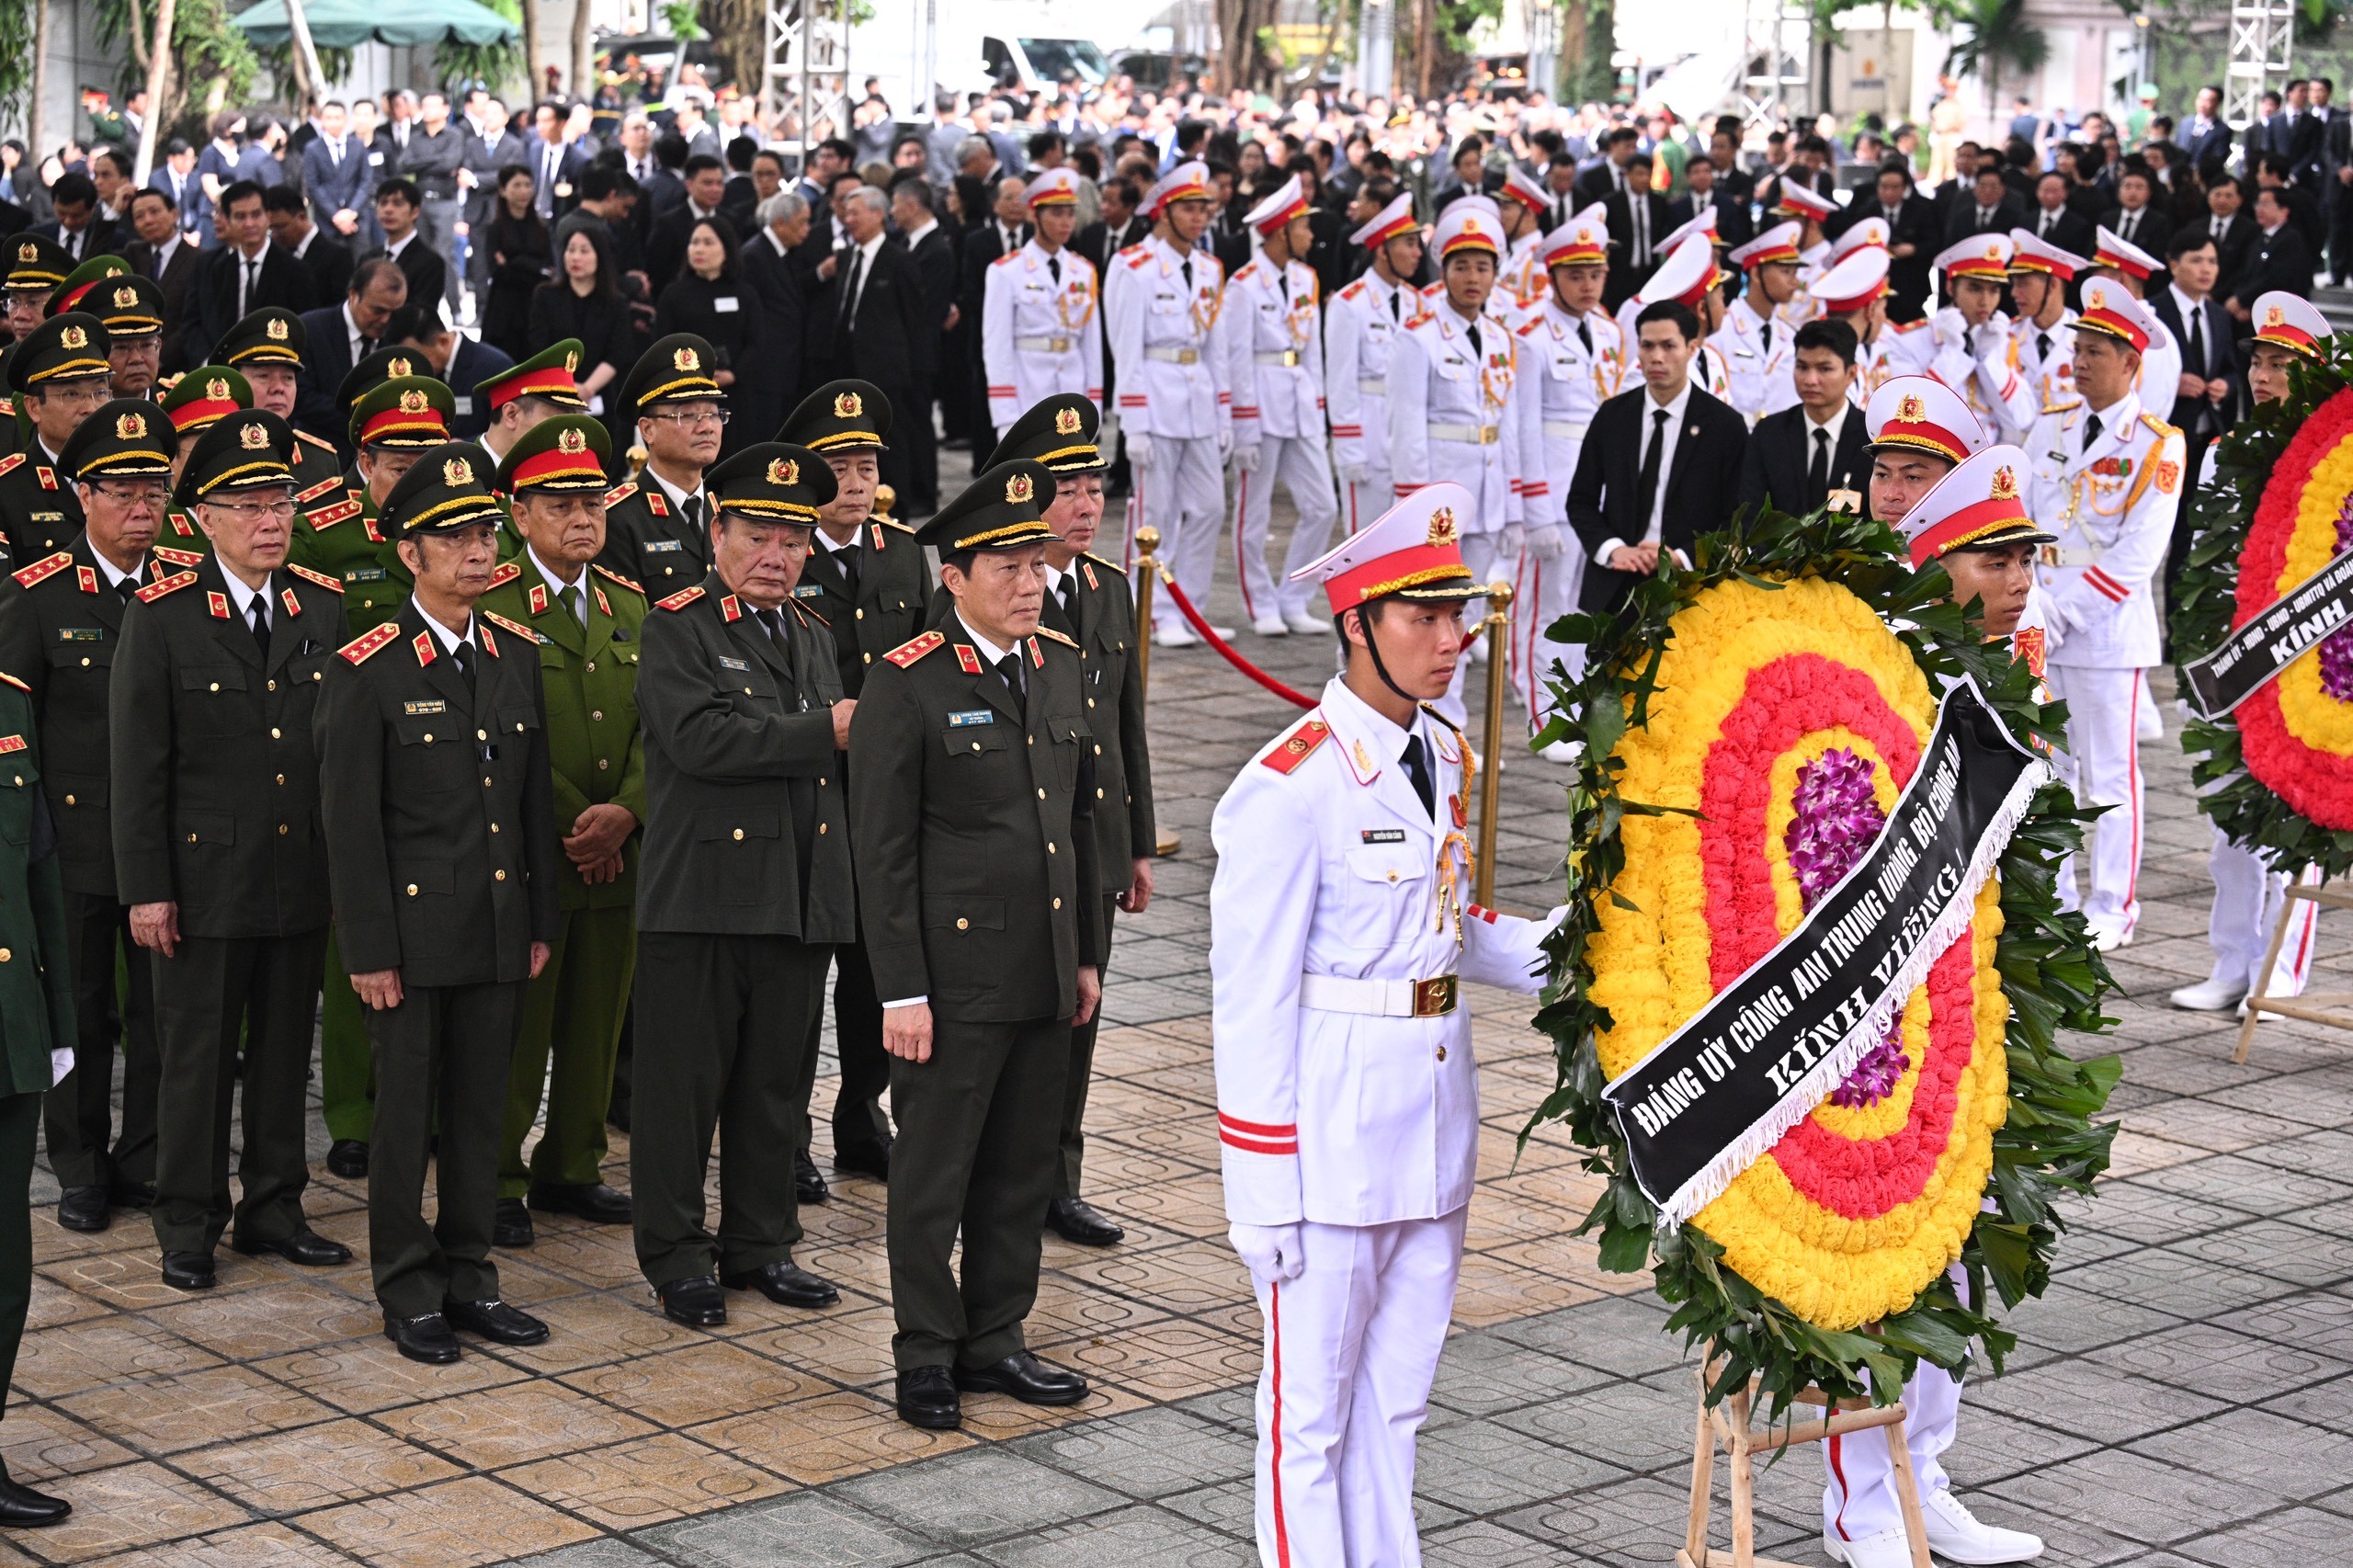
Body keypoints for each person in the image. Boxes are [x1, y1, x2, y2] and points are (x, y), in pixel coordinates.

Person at [1211, 483, 1557, 1568]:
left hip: (1432, 1124)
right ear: (1356, 623)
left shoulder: (1441, 753)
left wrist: (1598, 948)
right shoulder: (1288, 787)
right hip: (1327, 1139)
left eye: (1458, 612)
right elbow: (1249, 999)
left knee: (1394, 1406)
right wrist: (1258, 1181)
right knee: (1305, 1422)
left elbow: (1449, 924)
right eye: (1424, 615)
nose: (1453, 638)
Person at [1820, 439, 2054, 1568]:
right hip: (1878, 1015)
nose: (2017, 576)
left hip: (1971, 1000)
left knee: (1957, 1248)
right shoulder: (1891, 678)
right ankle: (1862, 1498)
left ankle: (1927, 1475)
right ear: (1938, 566)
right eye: (1995, 557)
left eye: (2024, 555)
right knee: (1871, 1252)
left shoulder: (2013, 668)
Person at [848, 458, 1102, 1431]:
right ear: (953, 577)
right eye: (1005, 565)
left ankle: (997, 1335)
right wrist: (899, 991)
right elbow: (883, 853)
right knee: (933, 1174)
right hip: (949, 984)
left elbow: (1073, 824)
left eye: (1035, 562)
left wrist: (1080, 956)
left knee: (1020, 1167)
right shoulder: (905, 681)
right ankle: (924, 1351)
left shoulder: (1061, 664)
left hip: (1041, 968)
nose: (1029, 581)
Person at [317, 439, 557, 1362]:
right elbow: (352, 824)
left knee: (480, 1111)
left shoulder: (510, 653)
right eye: (451, 536)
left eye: (484, 531)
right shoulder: (367, 667)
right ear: (408, 555)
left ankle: (469, 1273)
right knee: (404, 1113)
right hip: (412, 939)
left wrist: (538, 920)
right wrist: (369, 948)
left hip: (496, 928)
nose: (476, 549)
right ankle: (407, 1285)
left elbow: (531, 803)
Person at [111, 409, 353, 1291]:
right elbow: (138, 766)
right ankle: (187, 1218)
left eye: (281, 500)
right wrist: (147, 889)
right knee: (198, 1060)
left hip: (299, 875)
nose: (272, 520)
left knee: (290, 1053)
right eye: (249, 504)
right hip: (203, 882)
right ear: (202, 519)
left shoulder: (320, 605)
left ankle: (275, 1206)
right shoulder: (166, 615)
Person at [631, 438, 851, 1327]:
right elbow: (702, 741)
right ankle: (678, 1256)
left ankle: (763, 1243)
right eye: (758, 534)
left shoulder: (811, 631)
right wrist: (820, 729)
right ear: (715, 532)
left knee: (776, 1086)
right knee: (683, 1092)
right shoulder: (677, 625)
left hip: (796, 895)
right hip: (705, 898)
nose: (777, 557)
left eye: (794, 541)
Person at [0, 400, 195, 1237]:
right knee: (79, 1010)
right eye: (123, 490)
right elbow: (14, 730)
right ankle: (79, 1165)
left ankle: (146, 1159)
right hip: (75, 841)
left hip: (168, 843)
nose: (142, 508)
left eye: (155, 489)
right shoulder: (36, 596)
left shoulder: (187, 588)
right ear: (83, 495)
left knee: (162, 1013)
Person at [983, 394, 1154, 1248]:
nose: (1088, 507)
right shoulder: (990, 593)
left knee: (1082, 1015)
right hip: (1016, 849)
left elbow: (1126, 725)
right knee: (1013, 1017)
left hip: (1092, 846)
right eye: (1068, 490)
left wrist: (1138, 844)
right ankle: (1003, 1175)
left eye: (1096, 488)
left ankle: (1061, 1178)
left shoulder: (1107, 588)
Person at [474, 415, 643, 1249]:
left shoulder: (629, 606)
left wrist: (628, 812)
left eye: (594, 500)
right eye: (561, 502)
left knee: (596, 1021)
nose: (582, 516)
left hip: (620, 857)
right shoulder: (495, 603)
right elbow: (495, 732)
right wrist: (579, 817)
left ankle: (573, 1165)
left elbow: (658, 724)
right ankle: (498, 1174)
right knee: (518, 1028)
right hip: (536, 857)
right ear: (519, 511)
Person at [775, 381, 923, 1197]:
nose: (857, 480)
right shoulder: (782, 550)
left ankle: (864, 1123)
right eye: (840, 464)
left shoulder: (900, 552)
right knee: (802, 979)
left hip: (881, 794)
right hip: (806, 786)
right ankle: (787, 1137)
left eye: (867, 463)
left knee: (876, 970)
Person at [2171, 290, 2329, 1017]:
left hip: (2313, 663)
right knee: (2228, 818)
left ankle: (2283, 963)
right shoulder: (2223, 455)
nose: (2263, 377)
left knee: (2302, 815)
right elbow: (2204, 560)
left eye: (2282, 364)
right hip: (2238, 660)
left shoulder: (2335, 461)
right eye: (2259, 361)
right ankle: (2233, 959)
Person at [2025, 282, 2182, 951]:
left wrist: (2064, 611)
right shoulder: (2050, 425)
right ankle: (2057, 897)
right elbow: (2025, 522)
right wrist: (2033, 602)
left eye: (2093, 352)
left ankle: (2113, 903)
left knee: (2111, 776)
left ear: (2129, 362)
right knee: (2049, 769)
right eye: (2077, 350)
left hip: (2107, 635)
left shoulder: (2157, 444)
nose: (2080, 363)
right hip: (2042, 623)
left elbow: (2136, 557)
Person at [1385, 202, 1521, 685]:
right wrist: (1415, 504)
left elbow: (1510, 423)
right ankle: (1439, 721)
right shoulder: (1419, 338)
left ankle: (1454, 730)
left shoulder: (1503, 339)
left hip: (1488, 494)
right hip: (1440, 496)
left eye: (1482, 267)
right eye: (1461, 266)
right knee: (1433, 613)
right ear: (1442, 270)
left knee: (1463, 614)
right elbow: (1406, 422)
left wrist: (1516, 502)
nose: (1472, 277)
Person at [1102, 162, 1229, 648]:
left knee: (1209, 508)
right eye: (1190, 209)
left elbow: (1214, 345)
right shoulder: (1133, 266)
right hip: (1155, 397)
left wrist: (1222, 410)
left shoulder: (1209, 268)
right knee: (1156, 511)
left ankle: (1189, 607)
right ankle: (1147, 610)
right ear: (1163, 212)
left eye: (1204, 210)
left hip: (1197, 397)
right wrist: (1132, 420)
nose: (1200, 219)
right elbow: (1126, 346)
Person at [1507, 204, 1621, 744]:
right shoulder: (1530, 335)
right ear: (1552, 275)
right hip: (1552, 491)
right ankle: (1544, 718)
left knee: (1584, 606)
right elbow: (1523, 426)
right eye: (1575, 275)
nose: (1587, 284)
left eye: (1595, 273)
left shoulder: (1610, 331)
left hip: (1597, 492)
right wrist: (1532, 510)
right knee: (1544, 609)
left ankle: (1572, 708)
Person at [1566, 297, 1748, 613]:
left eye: (1669, 346)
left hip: (1692, 587)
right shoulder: (1613, 416)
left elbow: (1738, 516)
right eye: (1647, 346)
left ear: (1692, 349)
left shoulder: (1724, 425)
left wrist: (1684, 556)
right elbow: (1581, 499)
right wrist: (1613, 549)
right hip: (1617, 583)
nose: (1657, 358)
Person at [1222, 175, 1340, 639]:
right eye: (1304, 227)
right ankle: (1260, 601)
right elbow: (1237, 357)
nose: (1312, 236)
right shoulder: (1244, 285)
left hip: (1298, 401)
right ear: (1279, 232)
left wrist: (1319, 405)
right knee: (1254, 512)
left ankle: (1295, 597)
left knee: (1323, 506)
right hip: (1261, 398)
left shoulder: (1306, 278)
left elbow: (1313, 350)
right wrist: (1244, 423)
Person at [813, 187, 929, 502]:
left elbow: (915, 320)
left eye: (856, 213)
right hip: (845, 361)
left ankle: (897, 505)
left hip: (885, 367)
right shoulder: (847, 256)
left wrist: (915, 369)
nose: (848, 220)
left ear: (878, 215)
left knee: (890, 437)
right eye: (846, 213)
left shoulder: (900, 259)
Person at [1324, 193, 1421, 540]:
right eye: (1409, 244)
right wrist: (1349, 446)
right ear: (1383, 250)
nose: (1417, 254)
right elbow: (1340, 380)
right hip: (1368, 429)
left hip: (1404, 434)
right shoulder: (1351, 304)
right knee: (1363, 542)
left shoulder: (1416, 302)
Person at [980, 168, 1103, 441]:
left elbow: (1092, 345)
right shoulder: (1006, 271)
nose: (1066, 222)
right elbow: (997, 346)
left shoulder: (1083, 270)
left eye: (1070, 214)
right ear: (1035, 215)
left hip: (1073, 391)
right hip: (1028, 391)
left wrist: (1094, 405)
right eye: (1056, 214)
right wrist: (1005, 415)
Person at [598, 334, 722, 597]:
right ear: (647, 430)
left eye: (713, 414)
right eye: (687, 415)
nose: (707, 427)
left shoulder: (729, 513)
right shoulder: (617, 518)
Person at [2149, 231, 2236, 596]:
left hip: (2204, 438)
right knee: (2157, 535)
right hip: (2163, 441)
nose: (2206, 269)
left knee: (2191, 535)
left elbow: (2231, 367)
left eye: (2212, 261)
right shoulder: (2154, 312)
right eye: (2197, 260)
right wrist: (2172, 384)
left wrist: (2225, 387)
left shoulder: (2217, 315)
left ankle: (2177, 631)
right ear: (2174, 264)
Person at [0, 313, 113, 567]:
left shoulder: (130, 480)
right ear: (33, 408)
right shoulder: (8, 490)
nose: (90, 408)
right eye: (71, 394)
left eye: (100, 391)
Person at [652, 216, 761, 460]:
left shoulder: (744, 293)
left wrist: (733, 374)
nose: (699, 249)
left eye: (708, 242)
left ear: (726, 248)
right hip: (687, 393)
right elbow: (663, 344)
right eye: (694, 242)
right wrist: (693, 378)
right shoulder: (674, 293)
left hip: (735, 392)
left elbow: (756, 342)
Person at [1735, 317, 1869, 517]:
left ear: (1851, 374)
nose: (1810, 380)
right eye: (1802, 367)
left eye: (1825, 369)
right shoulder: (1769, 434)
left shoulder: (1871, 438)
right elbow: (1751, 513)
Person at [291, 256, 409, 451]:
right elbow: (301, 396)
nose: (386, 320)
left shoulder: (399, 339)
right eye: (378, 310)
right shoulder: (310, 330)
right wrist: (362, 422)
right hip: (320, 453)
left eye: (394, 313)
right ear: (353, 295)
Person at [528, 224, 632, 434]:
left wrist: (587, 389)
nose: (575, 257)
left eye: (584, 251)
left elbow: (619, 353)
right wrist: (568, 388)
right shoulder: (545, 296)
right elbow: (539, 348)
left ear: (599, 257)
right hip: (553, 394)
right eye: (571, 250)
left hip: (601, 396)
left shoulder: (616, 302)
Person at [1717, 221, 1803, 421]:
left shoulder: (1791, 334)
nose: (1794, 281)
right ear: (1756, 274)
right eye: (1785, 272)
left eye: (1795, 272)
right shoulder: (1722, 328)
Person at [480, 165, 551, 363]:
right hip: (505, 311)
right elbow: (497, 271)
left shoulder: (541, 228)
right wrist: (532, 268)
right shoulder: (496, 228)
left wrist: (515, 263)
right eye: (517, 185)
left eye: (528, 185)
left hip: (534, 306)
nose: (524, 191)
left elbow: (548, 269)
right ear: (503, 191)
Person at [365, 179, 449, 322]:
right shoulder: (368, 259)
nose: (388, 210)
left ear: (415, 211)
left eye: (397, 204)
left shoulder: (430, 262)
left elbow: (421, 315)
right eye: (383, 203)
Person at [265, 184, 355, 307]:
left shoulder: (337, 256)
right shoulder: (276, 256)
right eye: (271, 229)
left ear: (302, 217)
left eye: (280, 227)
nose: (275, 235)